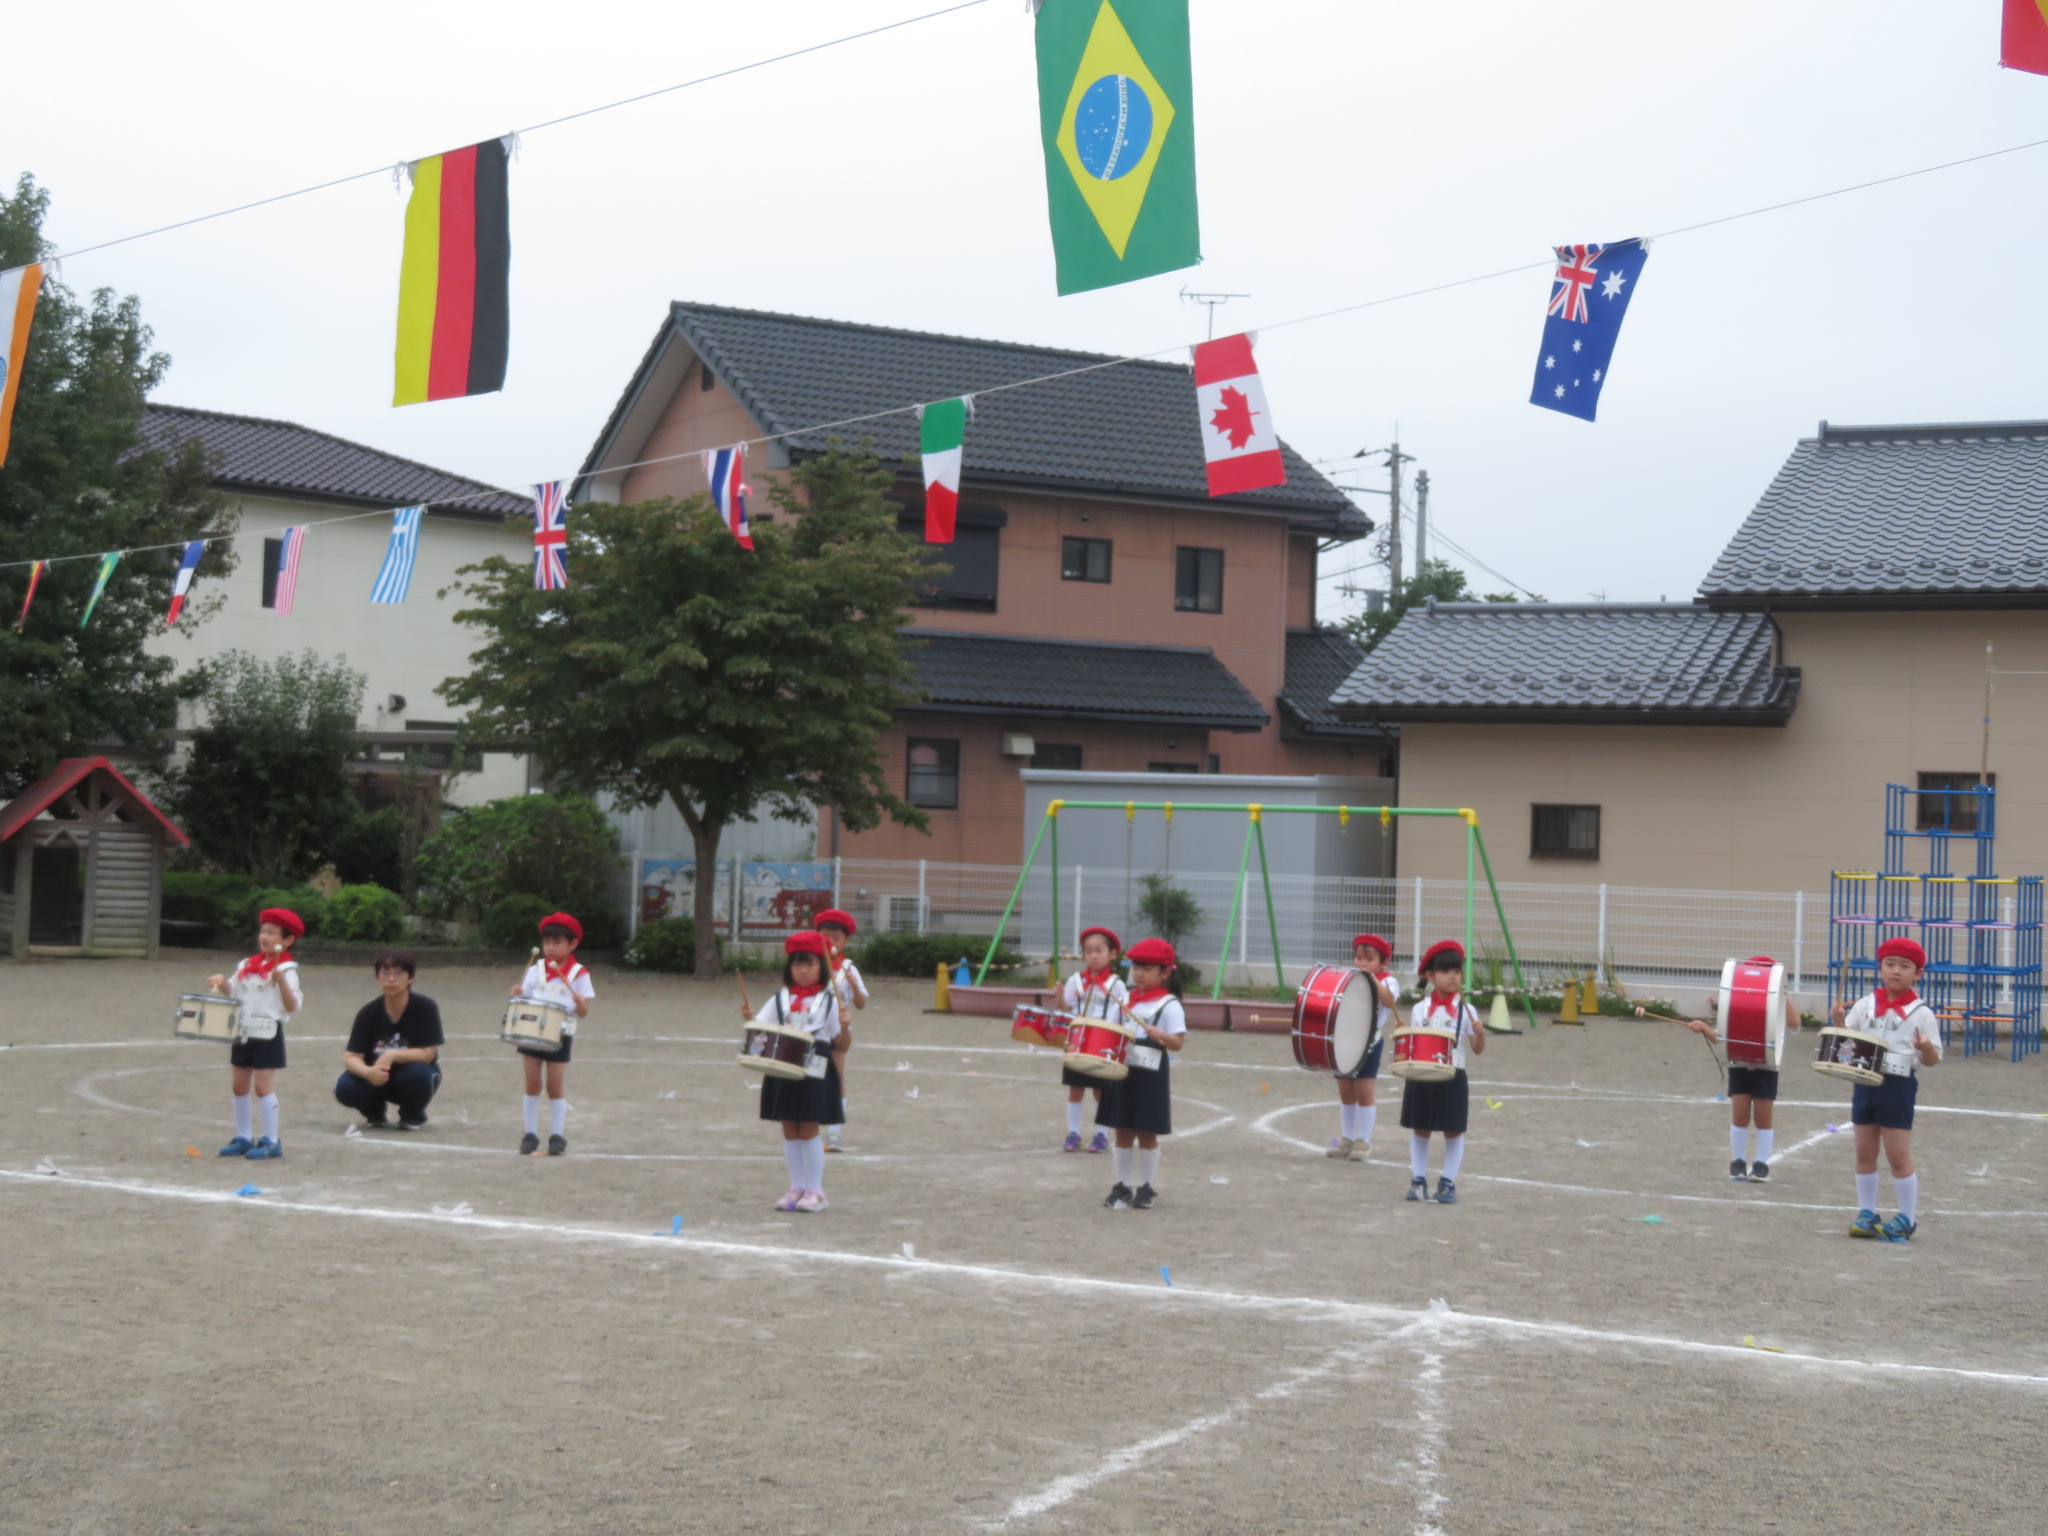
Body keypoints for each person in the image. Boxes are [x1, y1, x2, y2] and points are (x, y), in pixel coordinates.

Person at [1832, 936, 1942, 1241]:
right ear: (1879, 968)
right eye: (1889, 964)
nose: (1896, 971)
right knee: (1864, 1151)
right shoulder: (1865, 1006)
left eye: (1905, 966)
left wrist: (1926, 1047)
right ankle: (1867, 1212)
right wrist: (1840, 1022)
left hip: (1898, 1085)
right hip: (1864, 1081)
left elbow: (1932, 1060)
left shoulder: (1922, 1013)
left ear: (1918, 973)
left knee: (1897, 1155)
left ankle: (1906, 1218)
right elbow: (1845, 1042)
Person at [1674, 957, 1802, 1182]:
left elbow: (1794, 1022)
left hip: (1766, 1066)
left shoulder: (1776, 1004)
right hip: (1740, 1065)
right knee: (1740, 1116)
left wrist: (1780, 991)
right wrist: (1703, 1028)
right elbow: (1723, 1040)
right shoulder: (1737, 1004)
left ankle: (1761, 1164)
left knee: (1763, 1118)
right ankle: (1738, 1161)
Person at [748, 931, 843, 1212]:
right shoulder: (780, 999)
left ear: (821, 967)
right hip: (783, 1063)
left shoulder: (830, 1000)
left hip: (816, 1064)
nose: (802, 970)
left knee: (809, 1127)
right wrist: (748, 1019)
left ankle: (816, 1190)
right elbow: (760, 1029)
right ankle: (795, 1187)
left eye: (810, 964)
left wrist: (847, 1025)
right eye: (797, 964)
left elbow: (842, 1042)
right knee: (789, 1127)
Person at [1097, 936, 1185, 1211]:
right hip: (1123, 1070)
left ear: (1165, 972)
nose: (1139, 973)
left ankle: (1146, 1187)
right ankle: (1122, 1186)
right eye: (1136, 967)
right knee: (1122, 1129)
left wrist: (1160, 1035)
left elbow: (1178, 1043)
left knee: (1147, 1132)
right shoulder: (1124, 1000)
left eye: (1147, 968)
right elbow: (1109, 1031)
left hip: (1151, 1074)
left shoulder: (1169, 1004)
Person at [209, 907, 303, 1161]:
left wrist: (280, 981)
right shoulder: (247, 965)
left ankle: (272, 1140)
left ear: (288, 940)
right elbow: (234, 992)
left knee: (263, 1087)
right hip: (243, 1029)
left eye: (272, 932)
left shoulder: (287, 970)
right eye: (263, 931)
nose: (265, 936)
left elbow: (292, 1007)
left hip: (268, 1032)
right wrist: (222, 981)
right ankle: (243, 1136)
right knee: (239, 1085)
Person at [1401, 940, 1486, 1205]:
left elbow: (1477, 1049)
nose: (1453, 976)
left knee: (1453, 1131)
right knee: (1421, 1128)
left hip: (1453, 1075)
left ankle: (1448, 1182)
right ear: (1430, 975)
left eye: (1457, 971)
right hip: (1423, 1075)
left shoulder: (1467, 1010)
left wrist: (1480, 1034)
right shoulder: (1419, 1009)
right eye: (1446, 971)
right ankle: (1418, 1180)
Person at [511, 913, 595, 1156]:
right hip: (530, 1031)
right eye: (547, 942)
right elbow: (522, 1000)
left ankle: (557, 1135)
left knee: (555, 1086)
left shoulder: (579, 973)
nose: (550, 947)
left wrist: (580, 1003)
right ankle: (530, 1133)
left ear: (573, 944)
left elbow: (583, 1012)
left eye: (557, 942)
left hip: (560, 1034)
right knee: (532, 1084)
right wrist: (516, 994)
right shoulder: (535, 969)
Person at [335, 950, 445, 1128]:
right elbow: (351, 1056)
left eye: (398, 974)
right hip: (376, 1076)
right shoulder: (368, 1013)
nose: (391, 979)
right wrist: (367, 1072)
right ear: (377, 978)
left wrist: (394, 1054)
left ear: (410, 979)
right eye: (385, 974)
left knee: (418, 1076)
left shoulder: (425, 1007)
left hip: (410, 1075)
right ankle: (374, 1111)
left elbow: (427, 1054)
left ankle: (412, 1114)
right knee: (345, 1086)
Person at [1329, 933, 1398, 1161]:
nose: (1362, 964)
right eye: (1358, 958)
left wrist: (1371, 979)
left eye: (1369, 960)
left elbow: (1389, 1000)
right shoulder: (1348, 978)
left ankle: (1364, 1141)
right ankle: (1346, 1139)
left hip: (1370, 1042)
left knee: (1364, 1092)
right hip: (1345, 1041)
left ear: (1383, 963)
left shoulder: (1388, 981)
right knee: (1346, 1092)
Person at [1058, 926, 1126, 1153]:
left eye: (1099, 950)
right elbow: (1065, 1009)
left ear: (1112, 954)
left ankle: (1101, 1135)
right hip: (1078, 1042)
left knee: (1100, 1091)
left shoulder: (1117, 985)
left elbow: (1123, 1015)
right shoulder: (1076, 981)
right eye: (1088, 951)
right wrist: (1058, 997)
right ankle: (1073, 1132)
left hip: (1103, 1043)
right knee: (1075, 1089)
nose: (1093, 956)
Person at [816, 909, 867, 1153]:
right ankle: (809, 1125)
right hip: (811, 1030)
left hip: (837, 1029)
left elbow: (861, 1004)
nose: (830, 942)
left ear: (846, 941)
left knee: (836, 1076)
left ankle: (835, 1130)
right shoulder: (809, 965)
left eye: (835, 937)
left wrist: (855, 986)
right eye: (824, 936)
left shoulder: (847, 968)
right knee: (810, 1076)